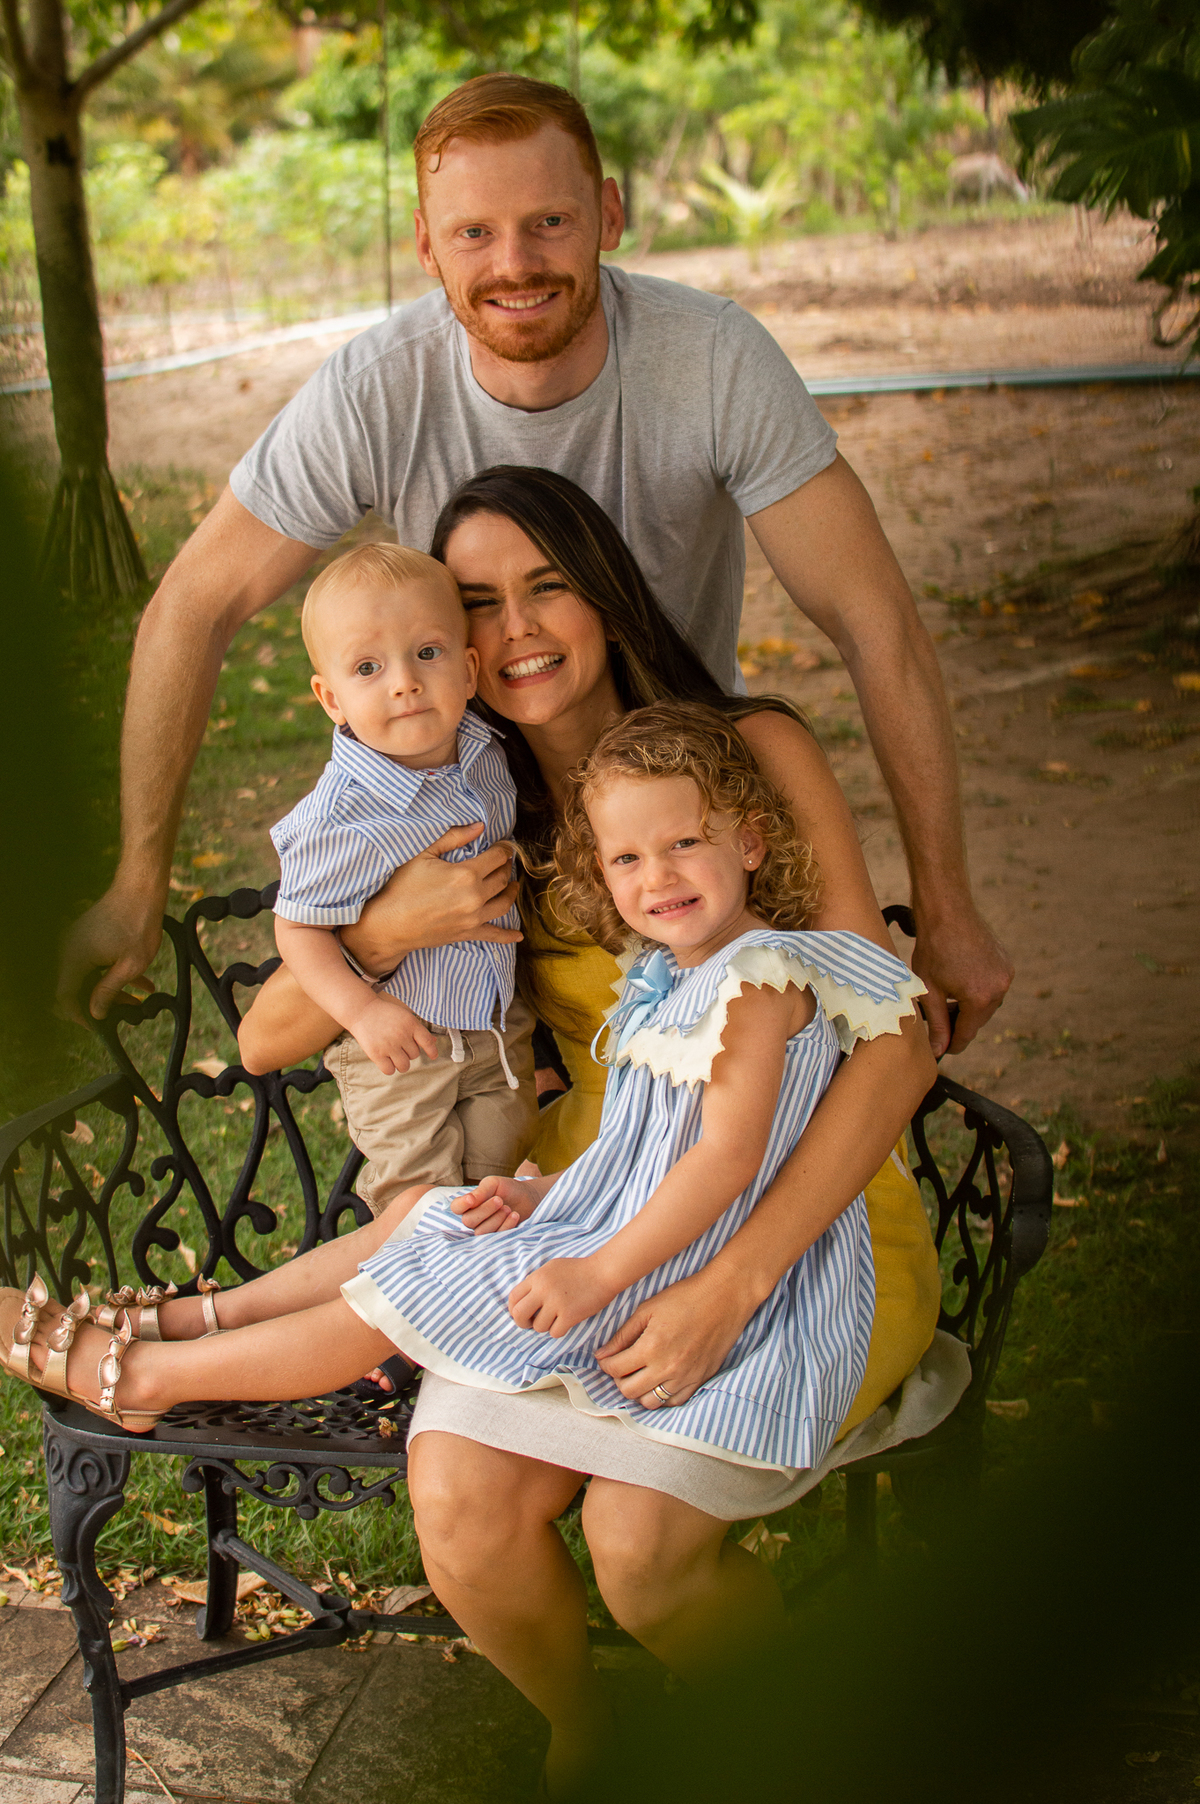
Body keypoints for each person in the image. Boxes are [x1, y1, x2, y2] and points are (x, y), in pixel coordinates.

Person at [229, 469, 964, 1797]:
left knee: (640, 1545)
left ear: (606, 586)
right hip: (597, 1215)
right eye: (473, 604)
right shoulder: (460, 795)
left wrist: (733, 1283)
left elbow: (895, 1030)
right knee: (457, 1494)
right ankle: (588, 1736)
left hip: (813, 1216)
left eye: (546, 583)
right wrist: (392, 927)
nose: (512, 628)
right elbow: (265, 1040)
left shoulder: (747, 754)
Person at [59, 72, 1011, 1057]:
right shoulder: (377, 391)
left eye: (549, 220)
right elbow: (190, 607)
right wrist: (136, 888)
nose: (515, 262)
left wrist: (944, 902)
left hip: (677, 787)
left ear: (609, 211)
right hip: (488, 792)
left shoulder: (709, 359)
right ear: (426, 245)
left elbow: (875, 623)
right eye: (473, 232)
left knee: (741, 1056)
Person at [270, 540, 536, 1210]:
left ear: (470, 670)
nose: (404, 681)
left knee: (493, 1191)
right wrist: (362, 1012)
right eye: (368, 667)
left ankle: (480, 1303)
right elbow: (296, 930)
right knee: (420, 1209)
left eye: (428, 652)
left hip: (496, 1029)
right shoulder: (339, 815)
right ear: (331, 698)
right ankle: (410, 1298)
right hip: (400, 1047)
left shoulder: (485, 755)